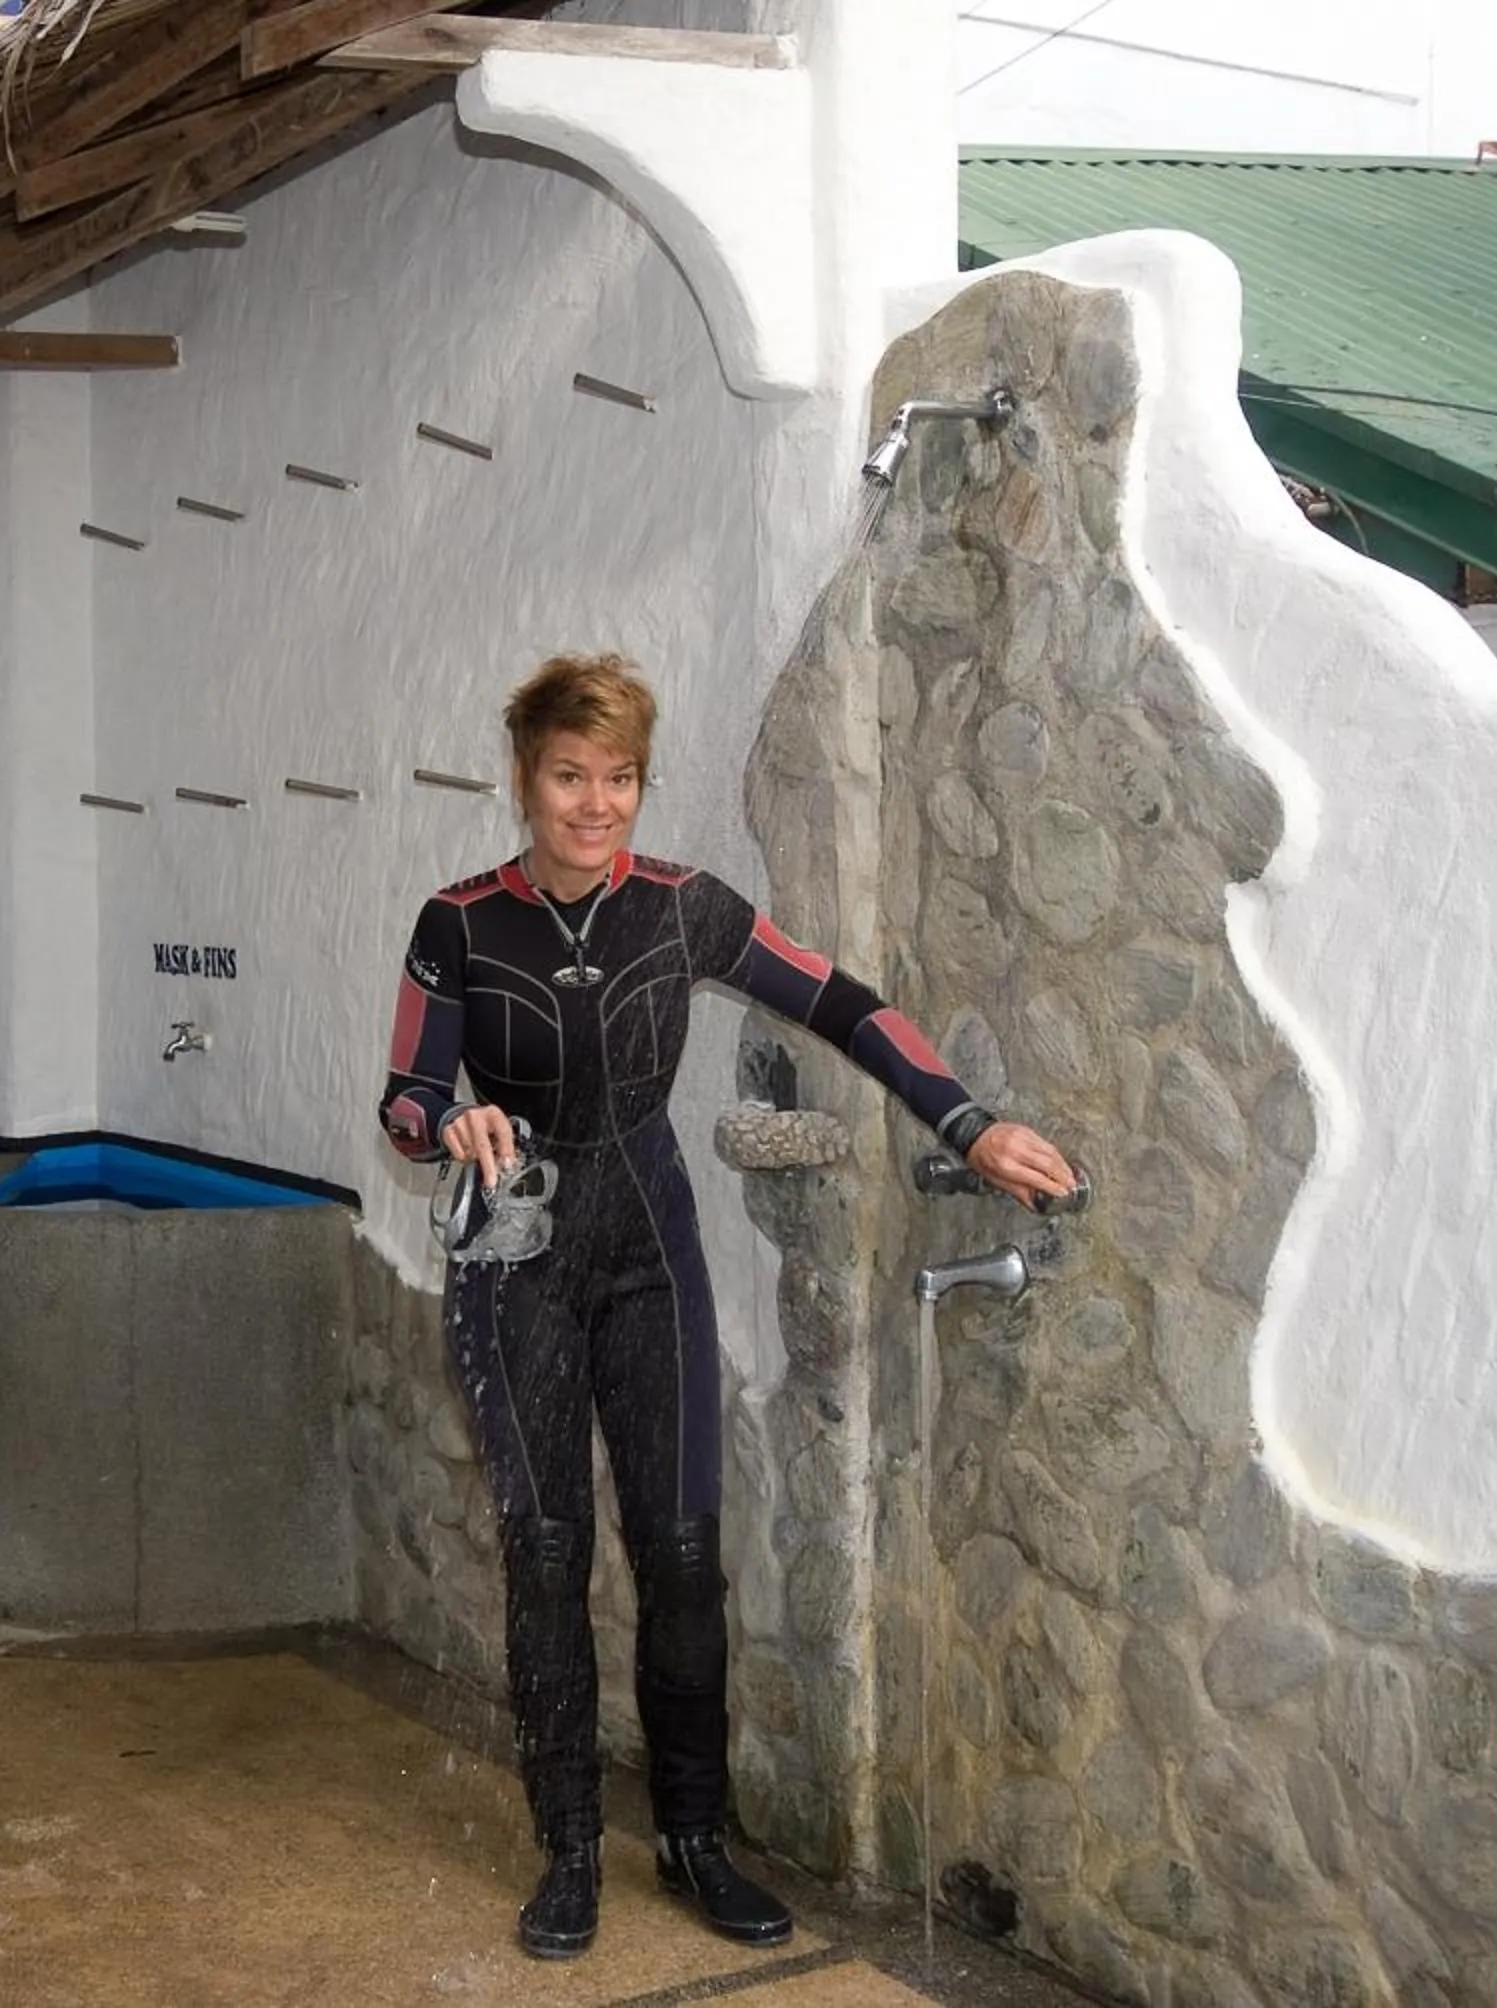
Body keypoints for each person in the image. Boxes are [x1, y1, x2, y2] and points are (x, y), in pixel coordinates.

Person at [377, 653, 1076, 1960]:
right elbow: (405, 1098)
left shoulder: (684, 909)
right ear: (524, 777)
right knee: (546, 1557)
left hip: (650, 1246)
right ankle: (571, 1852)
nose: (596, 804)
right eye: (571, 776)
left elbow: (844, 1005)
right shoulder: (459, 922)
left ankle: (697, 1841)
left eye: (621, 778)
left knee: (686, 1558)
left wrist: (969, 1125)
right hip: (514, 1260)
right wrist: (450, 1116)